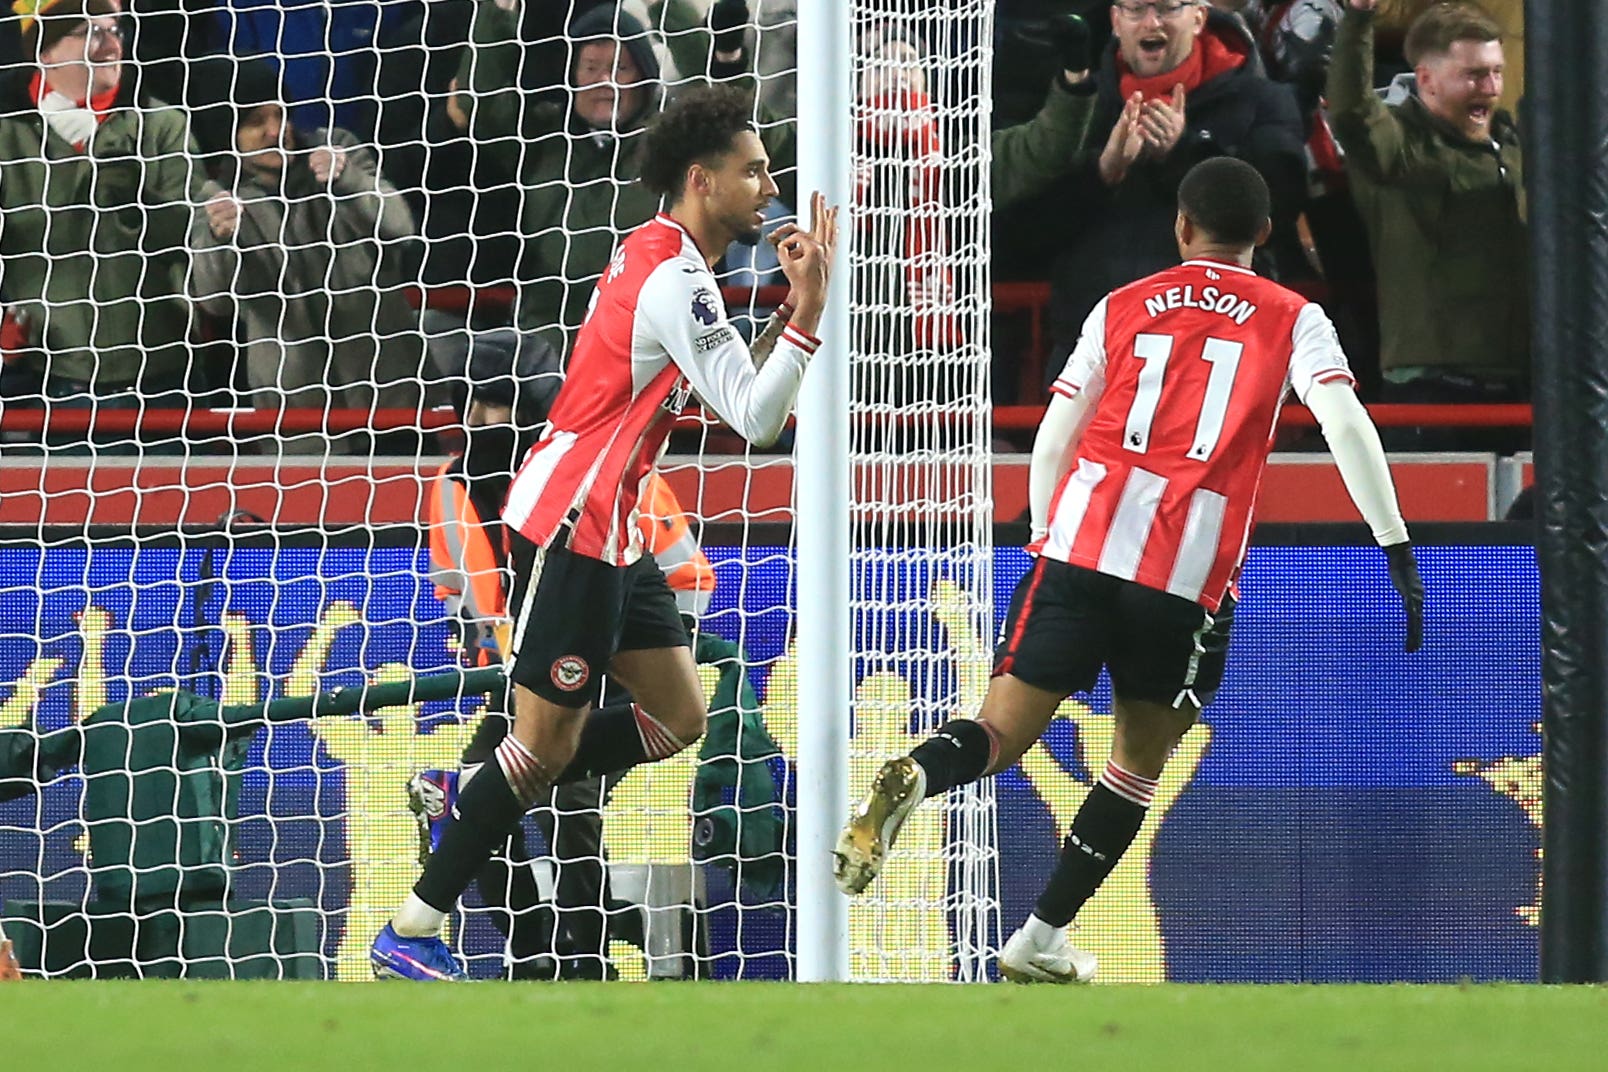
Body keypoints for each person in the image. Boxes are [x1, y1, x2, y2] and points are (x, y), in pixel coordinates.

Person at [834, 157, 1423, 984]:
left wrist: (1047, 530)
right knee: (1137, 763)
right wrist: (1393, 542)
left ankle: (918, 772)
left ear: (1180, 228)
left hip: (1076, 546)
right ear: (1261, 234)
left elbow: (1055, 434)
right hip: (1180, 578)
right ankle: (1039, 935)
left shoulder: (1122, 305)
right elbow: (1342, 420)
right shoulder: (1293, 316)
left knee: (999, 734)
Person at [370, 83, 837, 981]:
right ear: (703, 181)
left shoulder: (670, 262)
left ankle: (470, 791)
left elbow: (727, 374)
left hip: (616, 528)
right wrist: (807, 310)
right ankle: (412, 928)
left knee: (677, 717)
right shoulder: (675, 275)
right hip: (574, 523)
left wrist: (784, 314)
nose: (767, 188)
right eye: (753, 172)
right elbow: (756, 417)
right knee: (544, 748)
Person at [1025, 0, 1308, 392]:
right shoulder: (1074, 103)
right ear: (1115, 20)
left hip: (1216, 350)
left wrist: (1186, 152)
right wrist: (1103, 172)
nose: (1151, 21)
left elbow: (1279, 205)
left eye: (1167, 8)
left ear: (1199, 18)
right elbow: (1026, 230)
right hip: (1095, 351)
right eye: (1136, 8)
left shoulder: (1262, 99)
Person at [187, 56, 428, 455]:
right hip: (296, 413)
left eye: (280, 115)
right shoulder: (216, 199)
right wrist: (219, 238)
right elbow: (216, 300)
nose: (275, 131)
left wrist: (348, 180)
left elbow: (401, 226)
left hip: (387, 391)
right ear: (226, 131)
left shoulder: (341, 151)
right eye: (255, 122)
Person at [0, 0, 211, 434]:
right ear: (46, 51)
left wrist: (137, 194)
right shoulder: (8, 133)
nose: (111, 44)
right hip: (48, 381)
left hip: (164, 378)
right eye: (90, 32)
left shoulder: (161, 125)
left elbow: (191, 238)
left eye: (114, 30)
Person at [1326, 1, 1526, 449]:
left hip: (1521, 385)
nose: (1491, 88)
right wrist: (1358, 21)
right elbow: (1351, 114)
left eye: (1496, 72)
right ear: (1427, 79)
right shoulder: (1397, 148)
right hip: (1431, 389)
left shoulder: (1515, 146)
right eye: (1473, 75)